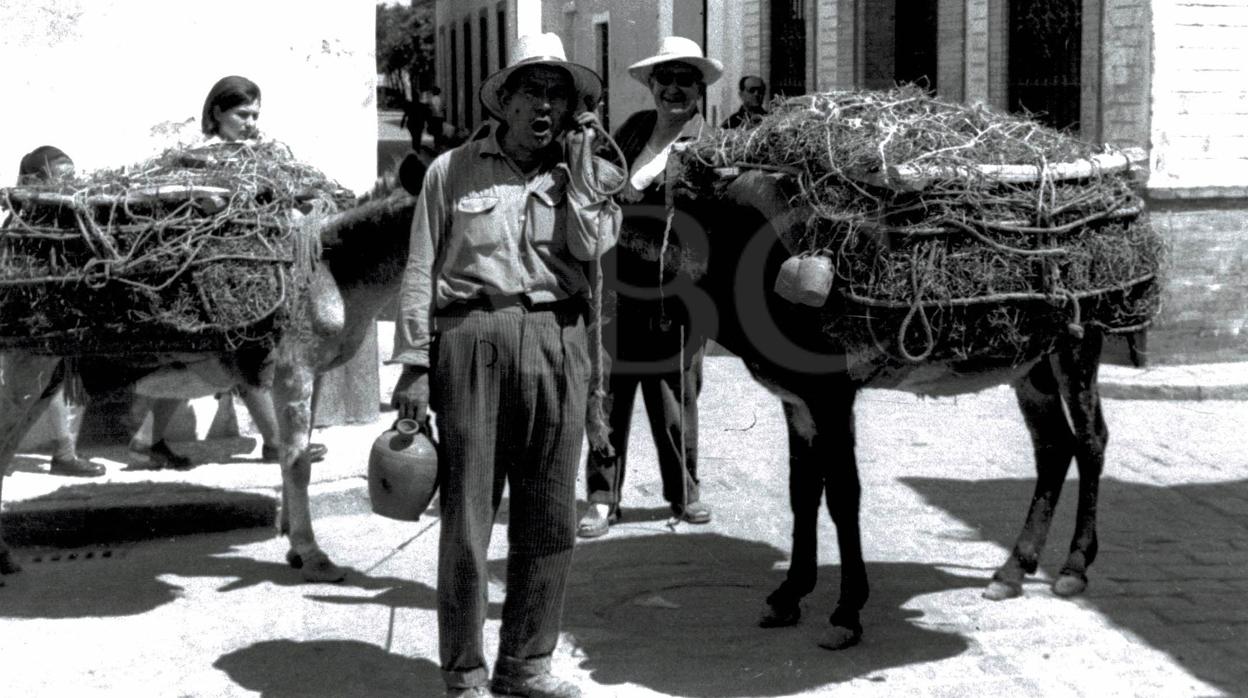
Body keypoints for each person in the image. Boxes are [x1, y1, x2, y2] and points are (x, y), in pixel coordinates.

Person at [390, 32, 622, 698]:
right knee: (467, 518)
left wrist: (582, 173)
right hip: (472, 337)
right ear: (506, 100)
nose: (545, 106)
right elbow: (419, 270)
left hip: (557, 337)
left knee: (549, 514)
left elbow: (590, 247)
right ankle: (462, 673)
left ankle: (526, 666)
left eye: (559, 94)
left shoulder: (587, 175)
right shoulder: (452, 171)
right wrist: (412, 364)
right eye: (532, 91)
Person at [577, 36, 723, 539]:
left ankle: (685, 494)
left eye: (686, 80)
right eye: (666, 79)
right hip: (615, 287)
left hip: (673, 294)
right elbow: (596, 173)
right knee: (607, 392)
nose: (674, 89)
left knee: (674, 397)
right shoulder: (635, 129)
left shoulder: (708, 147)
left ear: (699, 89)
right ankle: (601, 498)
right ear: (653, 86)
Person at [196, 75, 327, 463]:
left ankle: (144, 442)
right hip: (222, 267)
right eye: (242, 114)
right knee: (249, 347)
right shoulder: (204, 157)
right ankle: (275, 440)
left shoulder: (256, 156)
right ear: (217, 112)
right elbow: (211, 212)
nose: (251, 122)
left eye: (255, 115)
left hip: (258, 263)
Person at [10, 147, 105, 477]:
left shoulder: (67, 219)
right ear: (33, 181)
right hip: (30, 329)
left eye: (73, 178)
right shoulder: (21, 223)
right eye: (61, 179)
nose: (70, 186)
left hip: (61, 324)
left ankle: (65, 453)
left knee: (65, 389)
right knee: (20, 400)